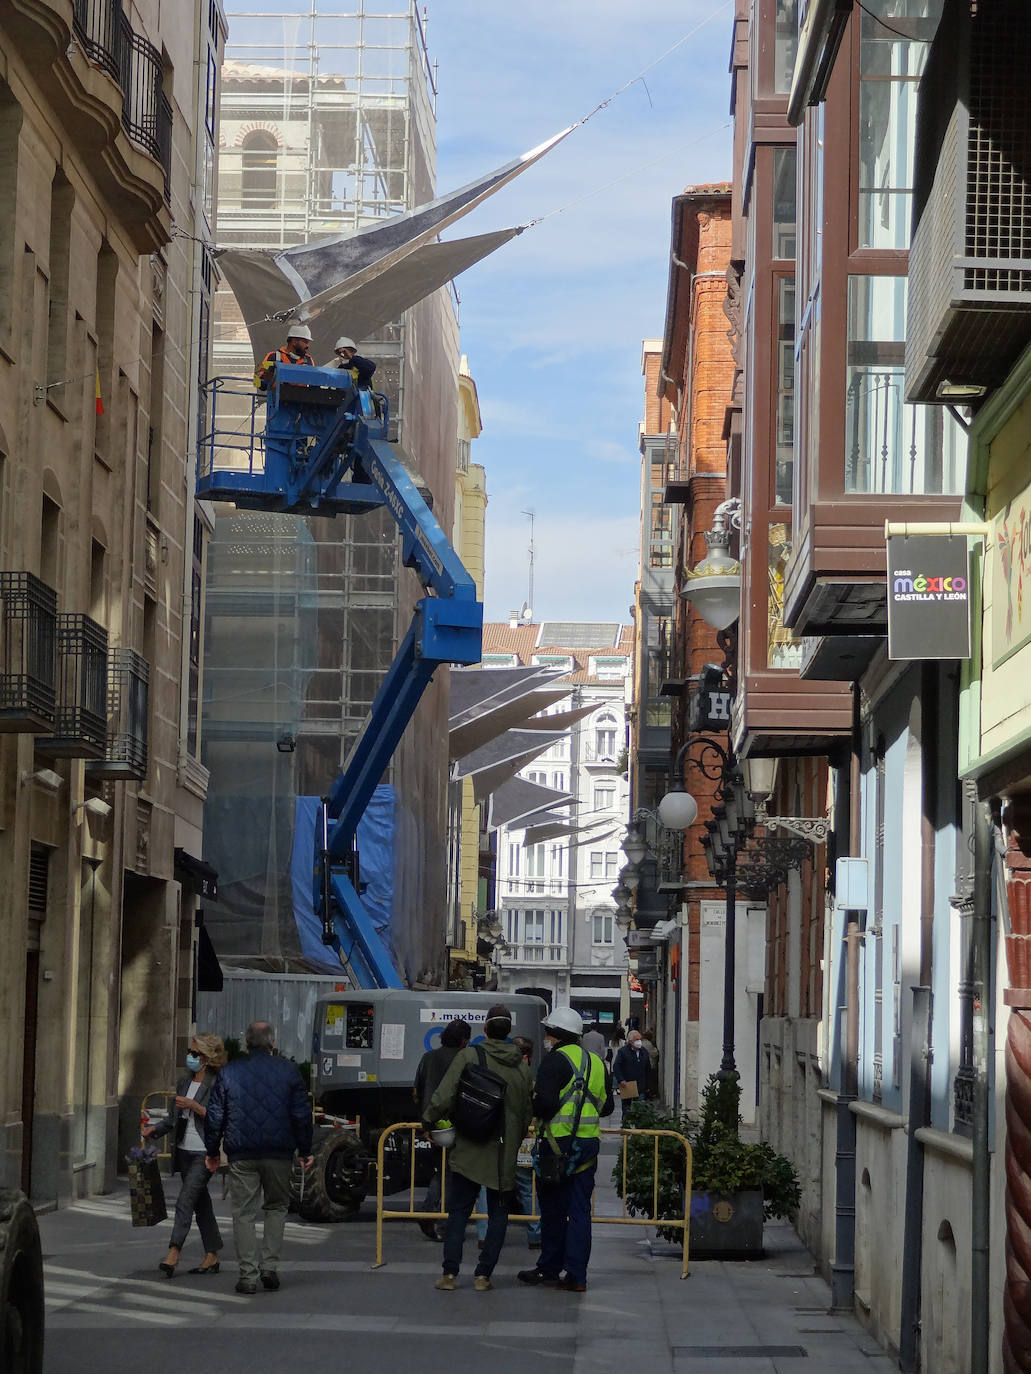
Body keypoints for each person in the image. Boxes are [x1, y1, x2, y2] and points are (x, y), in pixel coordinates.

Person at [421, 1003, 533, 1292]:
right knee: (498, 1216)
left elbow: (444, 1095)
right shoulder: (521, 1067)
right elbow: (525, 1114)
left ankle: (449, 1275)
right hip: (502, 1155)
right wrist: (513, 1143)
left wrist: (429, 1121)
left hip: (470, 1147)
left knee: (458, 1211)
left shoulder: (470, 1055)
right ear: (509, 1032)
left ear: (485, 1028)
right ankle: (483, 1276)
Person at [203, 1021, 313, 1295]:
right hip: (279, 1152)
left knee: (244, 1213)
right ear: (272, 1042)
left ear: (246, 1043)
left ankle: (248, 1276)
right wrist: (306, 1149)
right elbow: (301, 1114)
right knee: (276, 1208)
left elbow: (215, 1115)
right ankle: (269, 1268)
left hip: (242, 1152)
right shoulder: (288, 1071)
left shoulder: (229, 1072)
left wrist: (213, 1151)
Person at [518, 1007, 612, 1294]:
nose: (546, 1037)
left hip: (555, 1146)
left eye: (548, 1032)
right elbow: (606, 1107)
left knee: (553, 1211)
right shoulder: (597, 1063)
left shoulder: (554, 1061)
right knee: (580, 1211)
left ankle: (549, 1268)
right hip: (587, 1147)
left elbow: (544, 1104)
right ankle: (576, 1276)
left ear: (555, 1035)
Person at [143, 1032, 227, 1278]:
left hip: (205, 1151)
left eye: (195, 1053)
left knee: (185, 1201)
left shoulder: (216, 1083)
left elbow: (218, 1118)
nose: (190, 1057)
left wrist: (194, 1106)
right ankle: (212, 1254)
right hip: (183, 1151)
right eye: (189, 1052)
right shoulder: (183, 1082)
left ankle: (173, 1253)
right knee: (201, 1204)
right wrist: (154, 1130)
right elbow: (172, 1120)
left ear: (207, 1057)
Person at [476, 1034, 541, 1251]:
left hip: (494, 1139)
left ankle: (484, 1234)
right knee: (528, 1188)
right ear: (527, 1057)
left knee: (487, 1185)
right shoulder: (528, 1080)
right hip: (523, 1140)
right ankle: (535, 1235)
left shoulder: (493, 1075)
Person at [412, 1018, 471, 1240]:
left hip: (433, 1125)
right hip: (459, 1125)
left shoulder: (428, 1058)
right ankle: (446, 1224)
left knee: (442, 1170)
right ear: (464, 1040)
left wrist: (425, 1122)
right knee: (456, 1175)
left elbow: (417, 1091)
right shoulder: (464, 1059)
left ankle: (429, 1211)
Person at [253, 322, 315, 391]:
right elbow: (257, 381)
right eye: (305, 342)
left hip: (302, 400)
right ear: (294, 341)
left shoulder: (308, 360)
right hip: (279, 400)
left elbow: (314, 385)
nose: (307, 346)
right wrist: (269, 377)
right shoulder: (273, 357)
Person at [612, 1028, 651, 1122]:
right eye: (636, 1040)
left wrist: (648, 1085)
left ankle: (639, 1131)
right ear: (630, 1041)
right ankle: (626, 1129)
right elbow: (617, 1067)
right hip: (628, 1085)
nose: (639, 1042)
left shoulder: (643, 1052)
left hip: (641, 1085)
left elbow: (648, 1068)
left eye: (640, 1039)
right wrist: (621, 1080)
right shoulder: (623, 1052)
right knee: (626, 1109)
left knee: (641, 1109)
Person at [640, 1029, 660, 1098]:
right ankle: (650, 1094)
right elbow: (654, 1054)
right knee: (650, 1080)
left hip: (642, 1065)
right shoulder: (648, 1044)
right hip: (650, 1065)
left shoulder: (641, 1043)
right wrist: (656, 1049)